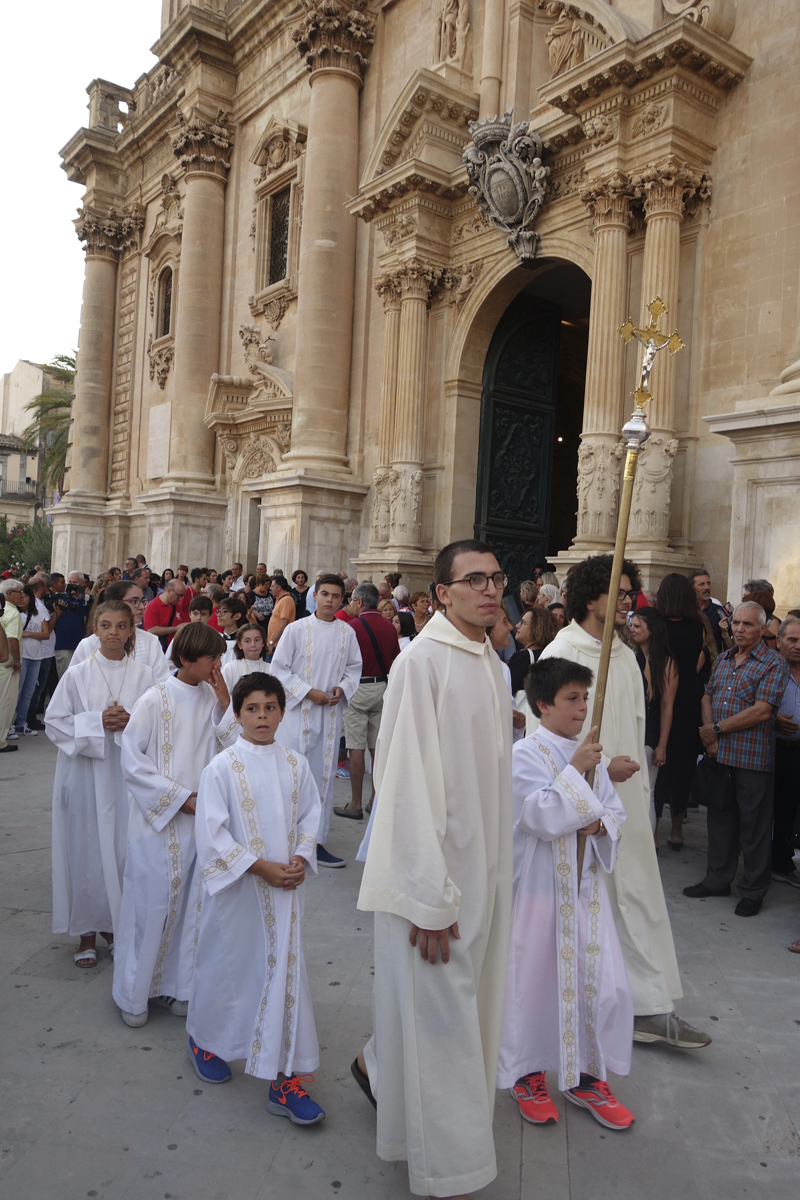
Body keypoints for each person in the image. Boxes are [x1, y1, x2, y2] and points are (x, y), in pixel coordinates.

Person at [355, 540, 512, 1200]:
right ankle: (453, 1172)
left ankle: (378, 1066)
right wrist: (426, 898)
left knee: (463, 1019)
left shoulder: (494, 665)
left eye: (497, 578)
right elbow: (406, 785)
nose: (490, 589)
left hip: (486, 873)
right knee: (444, 1026)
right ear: (441, 594)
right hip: (436, 883)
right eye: (473, 580)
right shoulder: (422, 664)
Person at [537, 555, 709, 1049]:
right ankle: (635, 1006)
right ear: (592, 597)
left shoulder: (625, 652)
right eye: (621, 590)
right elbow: (542, 736)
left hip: (630, 803)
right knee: (605, 903)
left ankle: (641, 1003)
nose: (630, 599)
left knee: (635, 897)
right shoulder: (562, 653)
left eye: (632, 589)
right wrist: (599, 769)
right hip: (588, 804)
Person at [497, 658, 633, 1131]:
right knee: (533, 985)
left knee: (603, 985)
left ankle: (587, 1076)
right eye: (571, 699)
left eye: (583, 698)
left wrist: (596, 819)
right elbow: (537, 816)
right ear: (542, 705)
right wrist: (577, 776)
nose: (581, 708)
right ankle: (526, 1074)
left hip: (584, 892)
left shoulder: (589, 753)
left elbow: (611, 815)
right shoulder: (524, 755)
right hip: (537, 891)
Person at [185, 674, 325, 1119]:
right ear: (238, 714)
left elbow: (310, 815)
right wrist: (259, 867)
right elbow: (211, 832)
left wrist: (302, 856)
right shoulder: (222, 767)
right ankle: (206, 1039)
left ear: (283, 712)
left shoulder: (296, 764)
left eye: (270, 707)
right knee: (230, 966)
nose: (262, 717)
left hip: (283, 890)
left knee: (285, 971)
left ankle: (286, 1078)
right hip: (239, 892)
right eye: (252, 708)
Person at [114, 622, 237, 1026]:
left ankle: (177, 988)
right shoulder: (155, 699)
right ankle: (134, 994)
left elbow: (234, 751)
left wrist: (224, 705)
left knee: (190, 905)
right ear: (186, 659)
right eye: (211, 658)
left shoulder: (212, 697)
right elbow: (132, 760)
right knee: (152, 906)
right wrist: (176, 797)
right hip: (159, 820)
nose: (219, 665)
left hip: (200, 818)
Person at [46, 601, 154, 967]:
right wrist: (96, 721)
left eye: (120, 626)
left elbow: (158, 723)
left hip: (125, 774)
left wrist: (131, 721)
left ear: (130, 631)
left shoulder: (144, 675)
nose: (112, 632)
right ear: (95, 629)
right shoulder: (77, 674)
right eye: (105, 625)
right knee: (87, 849)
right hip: (85, 775)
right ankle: (86, 933)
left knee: (123, 850)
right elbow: (55, 721)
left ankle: (116, 927)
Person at [684, 601, 790, 917]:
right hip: (720, 755)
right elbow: (708, 695)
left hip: (753, 758)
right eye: (736, 623)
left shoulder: (773, 663)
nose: (740, 629)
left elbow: (763, 710)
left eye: (747, 624)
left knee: (754, 828)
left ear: (762, 628)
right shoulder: (725, 659)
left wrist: (716, 729)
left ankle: (753, 891)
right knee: (719, 821)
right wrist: (709, 732)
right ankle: (717, 880)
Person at [273, 575, 361, 866]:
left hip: (329, 717)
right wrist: (307, 691)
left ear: (342, 600)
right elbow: (280, 668)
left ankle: (316, 841)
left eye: (336, 596)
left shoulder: (347, 633)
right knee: (294, 776)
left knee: (322, 777)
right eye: (325, 594)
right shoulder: (297, 629)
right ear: (315, 595)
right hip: (297, 716)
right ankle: (283, 839)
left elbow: (353, 669)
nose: (330, 600)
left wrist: (342, 688)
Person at [335, 582, 401, 820]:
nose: (350, 604)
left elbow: (341, 663)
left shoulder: (351, 627)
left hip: (358, 688)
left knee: (356, 746)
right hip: (382, 687)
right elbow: (396, 660)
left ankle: (355, 802)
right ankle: (375, 798)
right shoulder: (389, 627)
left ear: (360, 602)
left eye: (352, 600)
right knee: (377, 747)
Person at [653, 574, 706, 850]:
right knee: (682, 765)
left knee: (657, 764)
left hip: (661, 695)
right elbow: (698, 658)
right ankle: (677, 831)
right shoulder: (697, 626)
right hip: (689, 697)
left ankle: (654, 827)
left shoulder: (657, 625)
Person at [629, 607, 677, 842]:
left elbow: (667, 705)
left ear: (652, 630)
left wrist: (662, 745)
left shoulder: (666, 662)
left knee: (647, 793)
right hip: (629, 731)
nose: (632, 630)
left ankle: (646, 848)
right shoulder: (627, 655)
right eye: (632, 625)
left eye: (638, 626)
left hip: (650, 734)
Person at [72, 581, 171, 683]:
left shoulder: (150, 641)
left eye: (142, 601)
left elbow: (162, 683)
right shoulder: (87, 645)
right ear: (115, 603)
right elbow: (74, 683)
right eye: (134, 601)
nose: (141, 607)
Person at [772, 617, 800, 889]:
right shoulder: (771, 670)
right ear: (779, 641)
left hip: (798, 752)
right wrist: (773, 718)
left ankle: (782, 859)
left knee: (791, 810)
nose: (798, 646)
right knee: (768, 808)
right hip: (773, 748)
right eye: (792, 640)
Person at [10, 584, 51, 739]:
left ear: (30, 597)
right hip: (23, 657)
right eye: (20, 595)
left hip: (37, 657)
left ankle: (21, 723)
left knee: (29, 693)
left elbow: (46, 634)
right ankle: (9, 725)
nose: (22, 598)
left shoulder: (38, 612)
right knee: (17, 692)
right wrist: (34, 634)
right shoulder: (15, 613)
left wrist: (27, 633)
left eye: (25, 595)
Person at [0, 579, 24, 754]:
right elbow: (12, 639)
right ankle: (1, 741)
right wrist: (16, 660)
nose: (22, 596)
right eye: (19, 592)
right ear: (9, 595)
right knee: (6, 704)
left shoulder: (4, 611)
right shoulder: (13, 613)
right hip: (7, 665)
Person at [509, 609, 556, 694]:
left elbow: (506, 690)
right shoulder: (552, 654)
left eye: (523, 623)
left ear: (536, 628)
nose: (517, 625)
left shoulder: (522, 658)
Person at [52, 571, 89, 677]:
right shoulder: (60, 599)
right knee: (65, 676)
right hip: (64, 644)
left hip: (82, 644)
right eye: (70, 582)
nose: (72, 585)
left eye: (75, 582)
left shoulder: (86, 600)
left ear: (82, 583)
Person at [690, 570, 732, 654]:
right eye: (702, 584)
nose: (707, 587)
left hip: (713, 663)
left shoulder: (720, 612)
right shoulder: (687, 611)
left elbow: (730, 649)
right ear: (692, 588)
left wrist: (725, 633)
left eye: (708, 583)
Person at [142, 577, 188, 650]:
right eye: (179, 595)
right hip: (160, 650)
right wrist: (176, 628)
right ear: (169, 591)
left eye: (182, 596)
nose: (180, 599)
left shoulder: (177, 606)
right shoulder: (153, 606)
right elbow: (151, 630)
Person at [221, 623, 269, 690]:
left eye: (257, 640)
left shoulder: (271, 669)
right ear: (240, 645)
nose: (253, 645)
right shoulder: (230, 668)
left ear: (263, 642)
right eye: (247, 641)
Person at [267, 575, 296, 655]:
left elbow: (284, 624)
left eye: (272, 586)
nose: (270, 588)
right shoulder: (280, 599)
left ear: (279, 587)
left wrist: (272, 642)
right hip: (275, 645)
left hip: (278, 645)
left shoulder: (286, 600)